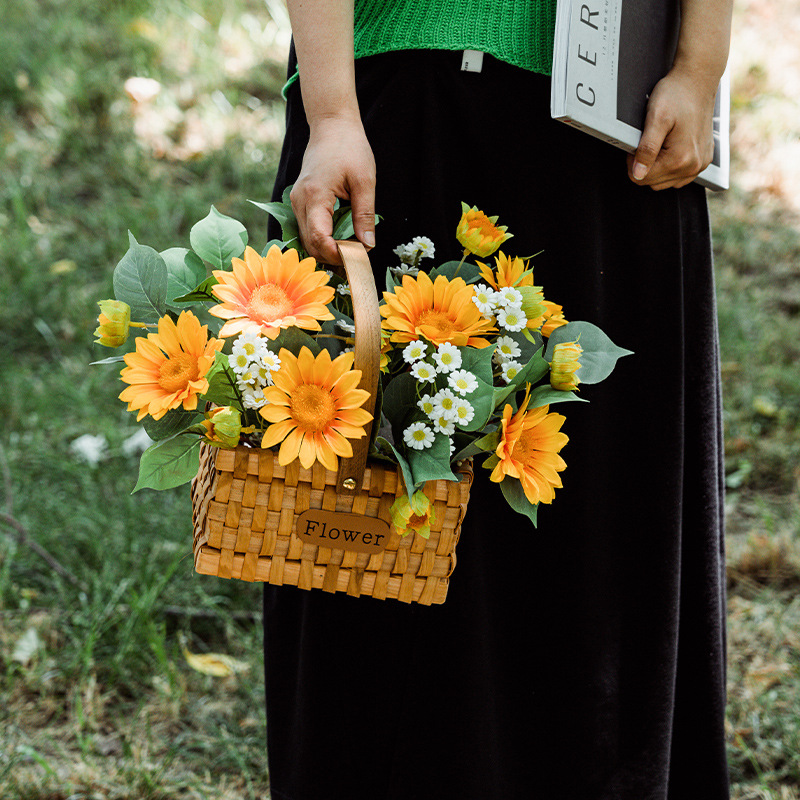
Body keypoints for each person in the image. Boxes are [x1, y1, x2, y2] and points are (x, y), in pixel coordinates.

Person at [262, 2, 734, 798]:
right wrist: (333, 110)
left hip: (620, 116)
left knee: (600, 539)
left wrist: (699, 65)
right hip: (405, 105)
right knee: (376, 545)